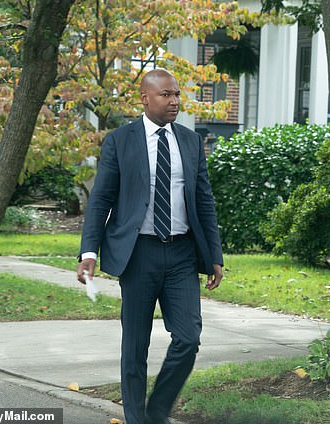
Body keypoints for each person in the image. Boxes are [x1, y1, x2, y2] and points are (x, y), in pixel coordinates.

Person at [77, 69, 223, 424]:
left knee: (188, 338)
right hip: (138, 254)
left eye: (176, 95)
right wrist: (89, 253)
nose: (174, 101)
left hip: (182, 254)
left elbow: (203, 200)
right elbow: (101, 200)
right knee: (135, 347)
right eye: (166, 95)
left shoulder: (190, 142)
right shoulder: (120, 141)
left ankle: (157, 410)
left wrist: (214, 256)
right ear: (145, 98)